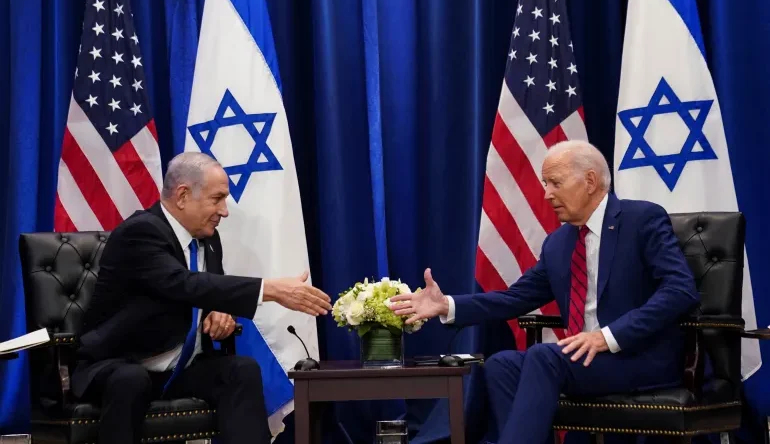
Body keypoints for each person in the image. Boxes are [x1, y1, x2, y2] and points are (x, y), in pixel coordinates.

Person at [389, 140, 700, 444]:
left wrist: (607, 336)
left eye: (555, 183)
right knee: (500, 366)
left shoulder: (642, 220)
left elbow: (680, 290)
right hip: (585, 359)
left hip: (637, 355)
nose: (547, 194)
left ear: (590, 181)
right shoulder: (559, 243)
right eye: (544, 184)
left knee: (543, 356)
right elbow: (515, 298)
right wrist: (447, 306)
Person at [71, 152, 332, 444]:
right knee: (131, 379)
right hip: (119, 364)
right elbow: (181, 283)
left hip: (178, 368)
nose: (225, 211)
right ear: (183, 195)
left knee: (241, 370)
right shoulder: (140, 232)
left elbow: (206, 291)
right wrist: (271, 290)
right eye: (217, 199)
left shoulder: (208, 238)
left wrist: (219, 312)